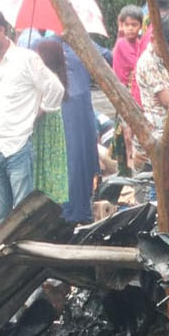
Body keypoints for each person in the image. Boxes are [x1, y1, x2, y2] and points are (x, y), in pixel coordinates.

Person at [0, 9, 63, 224]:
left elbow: (55, 89)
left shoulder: (27, 59)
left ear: (1, 30)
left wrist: (39, 112)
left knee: (24, 215)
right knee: (1, 217)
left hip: (18, 146)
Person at [57, 37, 100, 224]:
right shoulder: (81, 45)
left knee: (79, 163)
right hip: (69, 113)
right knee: (74, 164)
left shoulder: (82, 45)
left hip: (78, 113)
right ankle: (74, 214)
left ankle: (76, 213)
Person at [136, 14, 169, 164]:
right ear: (153, 40)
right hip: (159, 133)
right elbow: (167, 101)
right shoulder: (148, 62)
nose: (168, 51)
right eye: (165, 47)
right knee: (163, 175)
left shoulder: (167, 60)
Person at [32, 38, 70, 208]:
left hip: (44, 127)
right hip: (50, 128)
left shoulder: (50, 81)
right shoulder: (55, 77)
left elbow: (40, 111)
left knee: (44, 163)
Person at [111, 5, 143, 89]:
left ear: (140, 26)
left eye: (134, 25)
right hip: (123, 88)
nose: (130, 28)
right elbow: (138, 65)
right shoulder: (122, 43)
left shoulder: (138, 42)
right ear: (122, 26)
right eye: (127, 25)